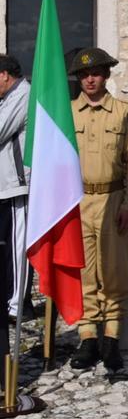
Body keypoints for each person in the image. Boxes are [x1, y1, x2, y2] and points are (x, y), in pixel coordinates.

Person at [67, 48, 128, 371]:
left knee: (113, 271)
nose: (90, 79)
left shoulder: (124, 113)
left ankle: (111, 338)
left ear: (107, 75)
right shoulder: (67, 113)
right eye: (84, 75)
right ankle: (87, 337)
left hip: (112, 200)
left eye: (96, 73)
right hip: (77, 201)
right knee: (83, 271)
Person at [0, 55, 29, 385]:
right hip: (3, 188)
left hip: (15, 188)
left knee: (15, 250)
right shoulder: (7, 97)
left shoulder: (22, 95)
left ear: (5, 75)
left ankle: (15, 304)